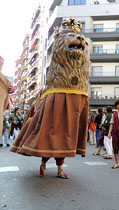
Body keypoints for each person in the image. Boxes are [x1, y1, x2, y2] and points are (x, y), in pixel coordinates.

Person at [11, 19, 90, 179]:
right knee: (50, 132)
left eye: (79, 36)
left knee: (64, 136)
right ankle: (44, 162)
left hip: (76, 93)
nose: (80, 39)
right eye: (71, 35)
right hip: (57, 92)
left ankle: (60, 169)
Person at [0, 56, 14, 137]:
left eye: (2, 64)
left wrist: (11, 89)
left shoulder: (5, 79)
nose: (0, 66)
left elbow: (7, 104)